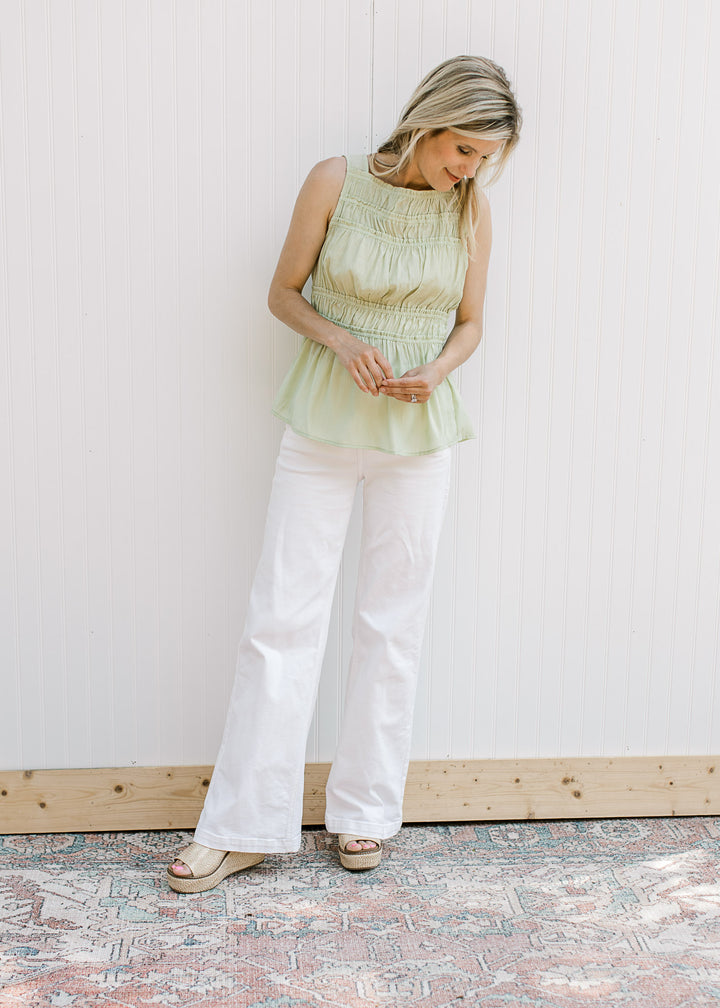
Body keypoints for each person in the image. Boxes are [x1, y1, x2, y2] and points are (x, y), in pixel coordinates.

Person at [167, 55, 521, 893]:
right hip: (324, 423)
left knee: (392, 624)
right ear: (427, 121)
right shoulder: (335, 179)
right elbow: (284, 293)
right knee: (280, 620)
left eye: (485, 158)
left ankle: (365, 812)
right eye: (463, 149)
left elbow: (471, 323)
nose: (469, 169)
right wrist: (343, 341)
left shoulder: (473, 210)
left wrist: (438, 371)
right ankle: (240, 827)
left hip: (418, 434)